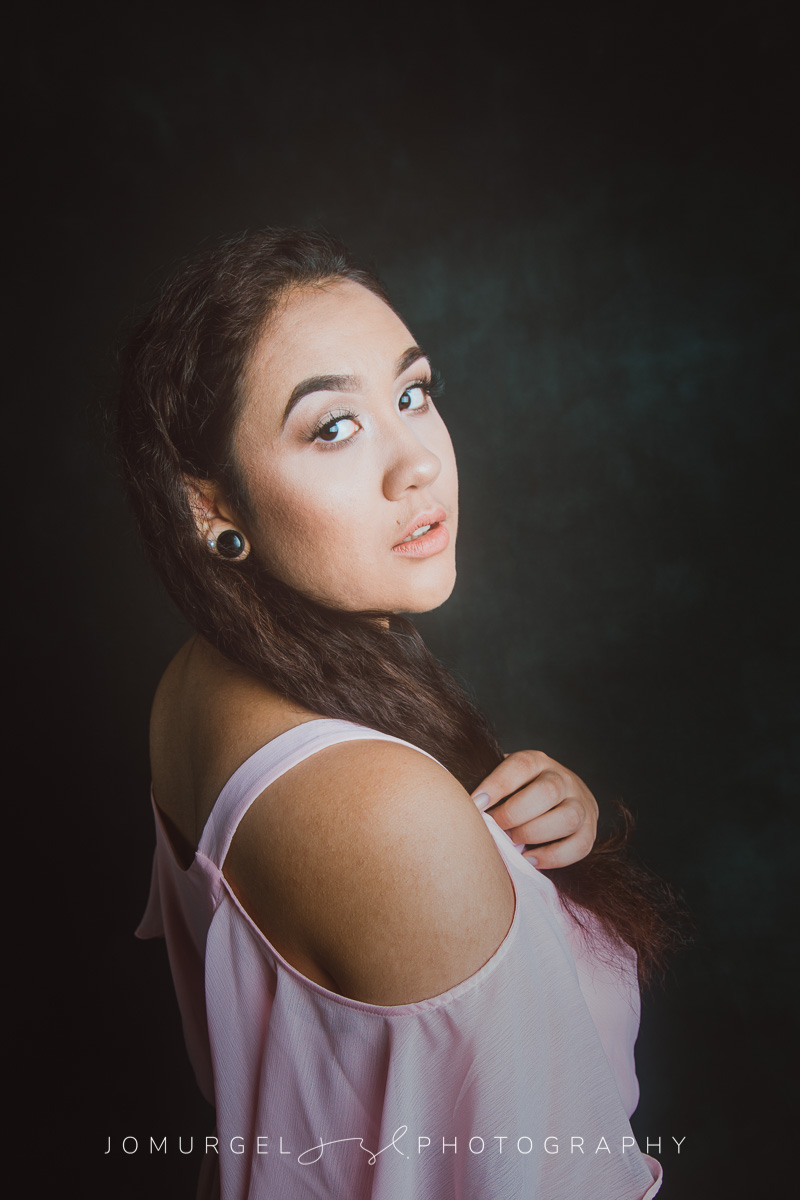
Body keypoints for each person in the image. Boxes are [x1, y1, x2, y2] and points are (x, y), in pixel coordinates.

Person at [117, 228, 678, 1199]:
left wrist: (528, 861)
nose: (416, 461)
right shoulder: (381, 810)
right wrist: (452, 845)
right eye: (332, 428)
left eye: (411, 394)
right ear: (209, 502)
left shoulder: (199, 680)